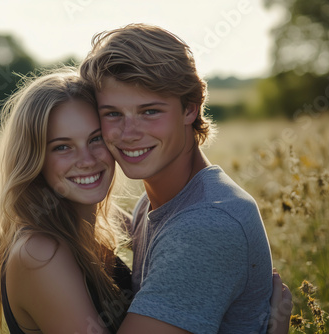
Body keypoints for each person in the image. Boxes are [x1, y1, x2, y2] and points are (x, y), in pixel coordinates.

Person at [80, 23, 292, 333]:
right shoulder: (154, 202)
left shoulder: (206, 224)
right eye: (113, 113)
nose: (129, 134)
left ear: (190, 109)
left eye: (150, 111)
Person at [0, 69, 132, 334]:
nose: (87, 160)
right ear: (34, 160)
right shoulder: (40, 253)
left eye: (95, 139)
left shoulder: (88, 227)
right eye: (62, 146)